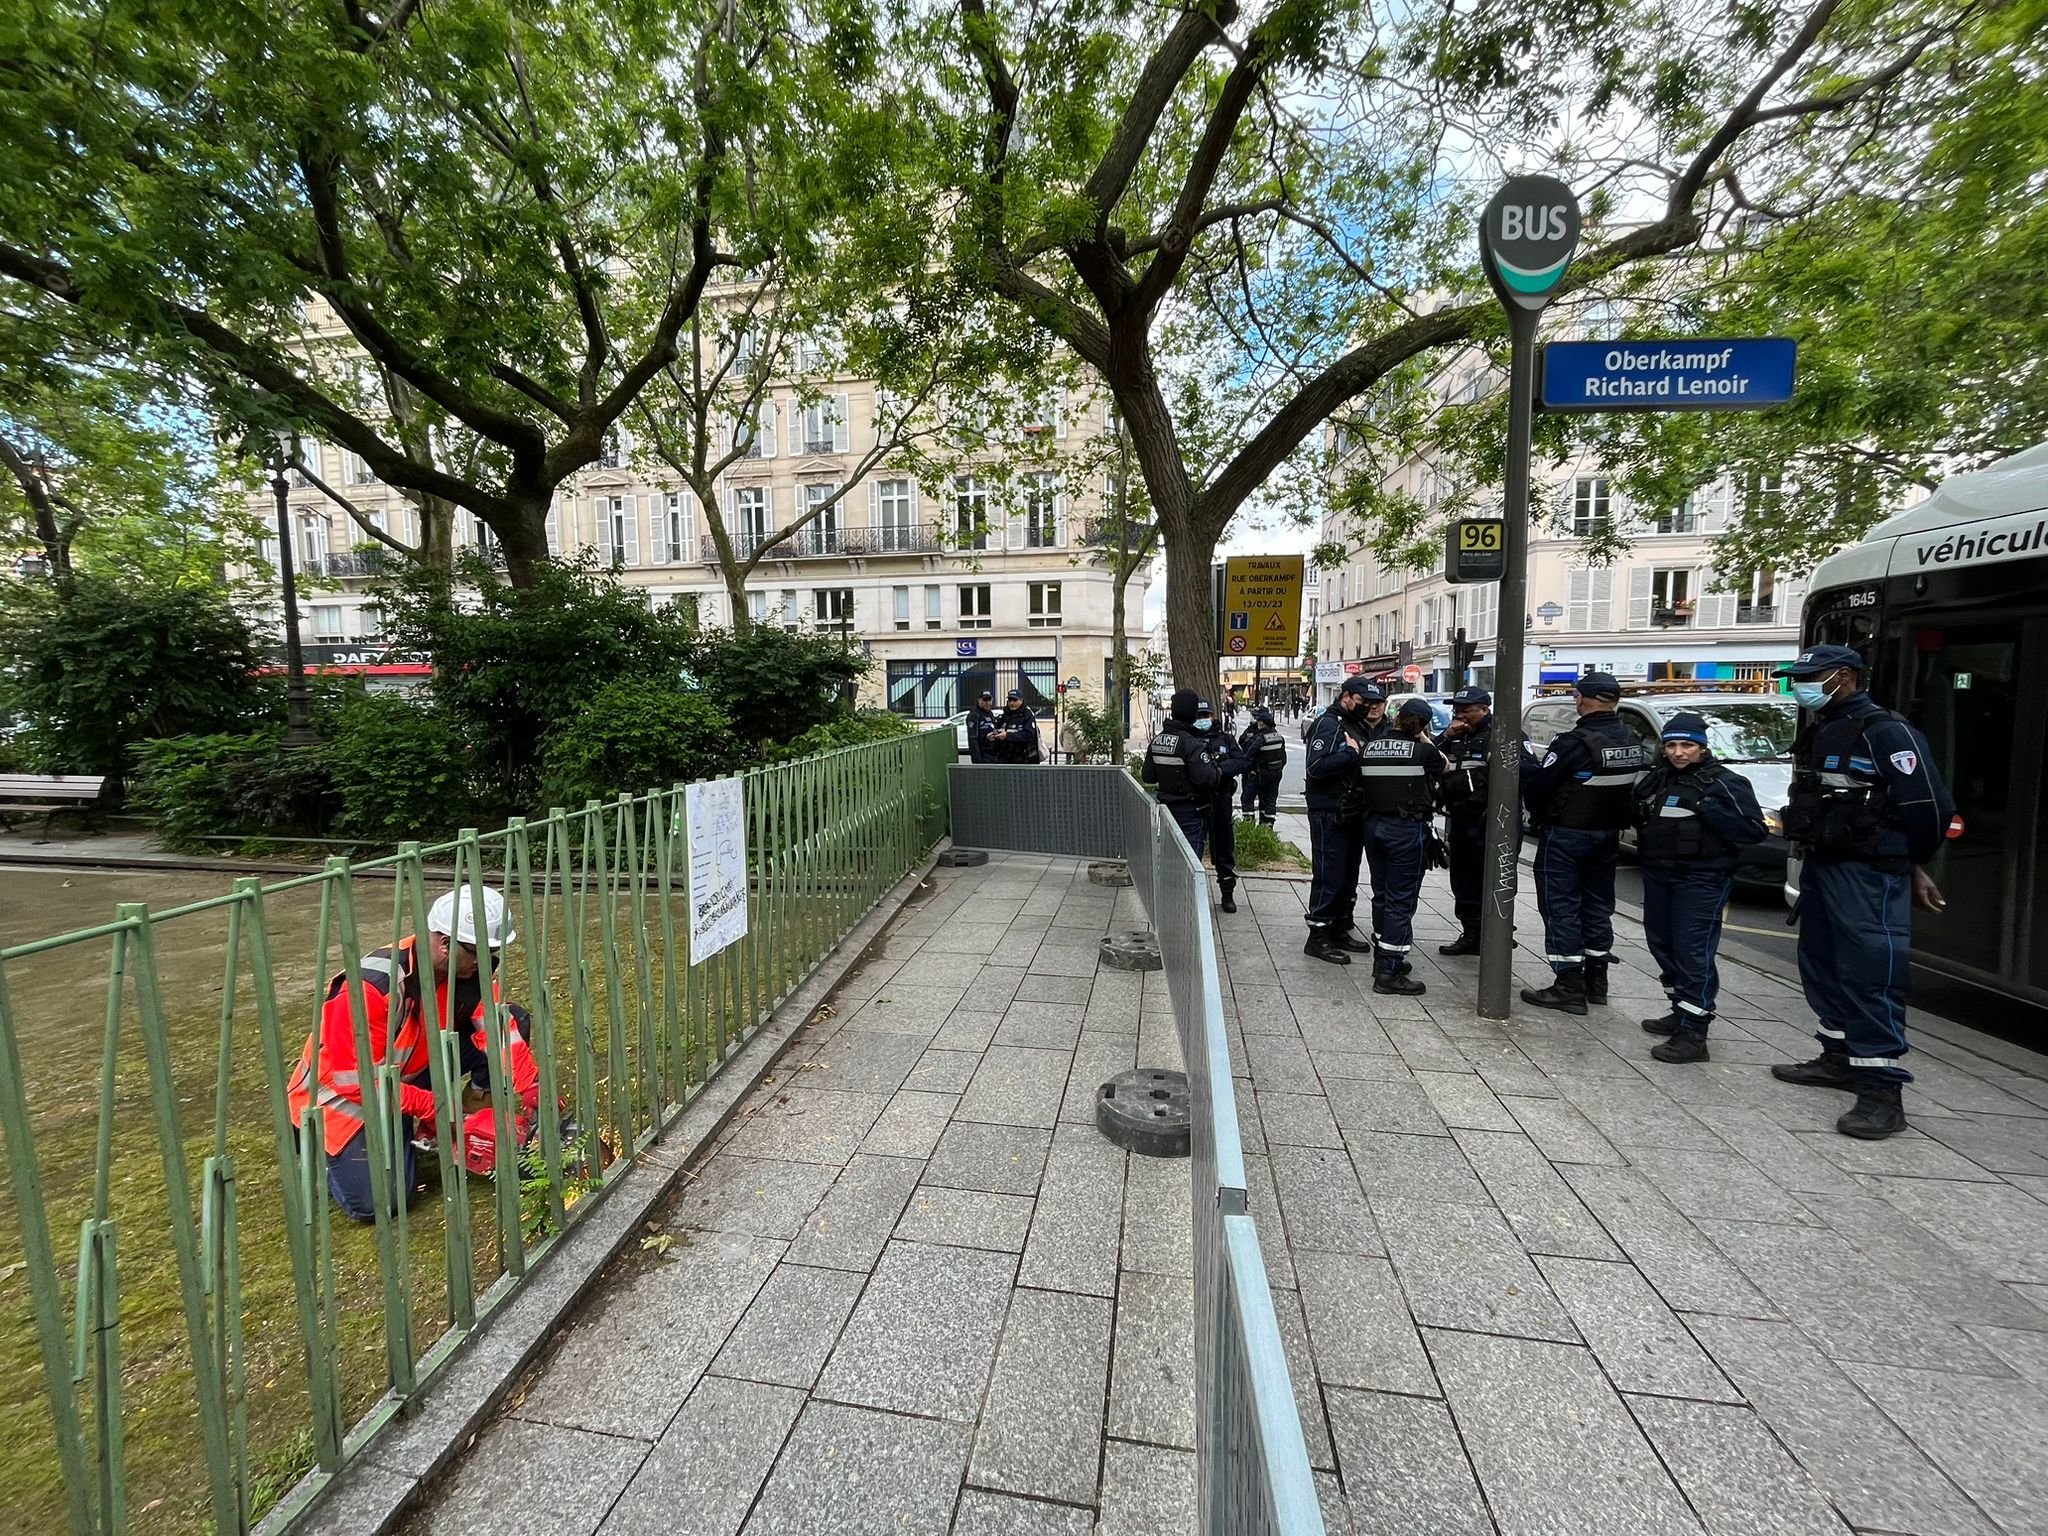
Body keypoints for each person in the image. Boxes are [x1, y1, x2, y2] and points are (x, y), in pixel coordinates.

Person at [1770, 645, 1954, 1138]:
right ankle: (1838, 1058)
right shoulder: (1825, 727)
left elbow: (1929, 807)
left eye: (1811, 677)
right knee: (1822, 965)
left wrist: (1911, 865)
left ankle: (1881, 1092)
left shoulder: (1886, 731)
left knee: (1872, 974)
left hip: (1869, 872)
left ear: (1844, 676)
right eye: (1797, 678)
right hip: (1826, 865)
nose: (1800, 686)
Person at [287, 888, 542, 1223]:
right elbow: (355, 1081)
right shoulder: (370, 987)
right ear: (444, 942)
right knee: (383, 1203)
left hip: (406, 1073)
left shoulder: (466, 970)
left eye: (492, 954)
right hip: (340, 1101)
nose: (485, 963)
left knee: (516, 1018)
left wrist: (533, 1086)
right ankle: (321, 1152)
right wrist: (429, 1104)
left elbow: (499, 1030)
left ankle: (454, 1121)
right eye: (477, 953)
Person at [1630, 712, 1769, 1063]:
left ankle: (1694, 1032)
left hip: (1701, 878)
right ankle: (1680, 1010)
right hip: (1660, 873)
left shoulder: (1724, 783)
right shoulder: (1658, 779)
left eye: (1687, 745)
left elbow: (1753, 831)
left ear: (1702, 749)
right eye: (1672, 745)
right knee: (1662, 943)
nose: (1679, 752)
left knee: (1693, 952)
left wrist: (1707, 808)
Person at [1518, 672, 1653, 1015]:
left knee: (1560, 906)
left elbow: (1539, 787)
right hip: (1608, 837)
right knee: (1597, 907)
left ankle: (1568, 985)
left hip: (1567, 835)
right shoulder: (1630, 738)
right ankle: (1597, 981)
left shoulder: (1573, 743)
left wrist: (1527, 766)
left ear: (1581, 698)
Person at [1360, 698, 1446, 994]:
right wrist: (1421, 737)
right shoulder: (1423, 751)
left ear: (1396, 717)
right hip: (1406, 831)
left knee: (1382, 895)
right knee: (1401, 901)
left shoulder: (1369, 748)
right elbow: (1444, 766)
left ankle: (1382, 954)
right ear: (1422, 726)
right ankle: (1389, 971)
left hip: (1374, 828)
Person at [1302, 677, 1383, 963]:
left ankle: (1339, 927)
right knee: (1329, 874)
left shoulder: (1357, 726)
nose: (1368, 708)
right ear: (1346, 696)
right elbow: (1316, 767)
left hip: (1352, 810)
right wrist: (1349, 754)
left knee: (1348, 874)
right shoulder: (1329, 724)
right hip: (1329, 811)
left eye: (1373, 704)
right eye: (1363, 702)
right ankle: (1318, 935)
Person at [1435, 687, 1493, 956]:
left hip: (1489, 822)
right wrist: (1446, 735)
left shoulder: (1500, 736)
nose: (1460, 715)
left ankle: (1494, 934)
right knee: (1463, 880)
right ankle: (1471, 933)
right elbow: (1428, 756)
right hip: (1460, 819)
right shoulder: (1455, 737)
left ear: (1484, 709)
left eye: (1466, 710)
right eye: (1456, 710)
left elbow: (1525, 772)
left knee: (1492, 881)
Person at [1143, 688, 1224, 858]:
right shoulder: (1191, 744)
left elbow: (1148, 776)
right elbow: (1208, 778)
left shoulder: (1157, 741)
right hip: (1191, 811)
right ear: (1193, 713)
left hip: (1167, 811)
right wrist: (1218, 769)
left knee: (1170, 859)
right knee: (1190, 864)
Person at [1237, 706, 1288, 825]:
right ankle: (1267, 828)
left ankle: (1248, 825)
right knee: (1269, 801)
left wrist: (1248, 770)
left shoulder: (1260, 738)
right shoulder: (1279, 737)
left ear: (1263, 723)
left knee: (1247, 799)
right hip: (1276, 773)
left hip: (1260, 773)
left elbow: (1249, 754)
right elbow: (1283, 758)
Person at [986, 689, 1042, 763]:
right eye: (1010, 700)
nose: (1012, 703)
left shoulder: (1027, 715)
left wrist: (1008, 735)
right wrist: (992, 736)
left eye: (1015, 700)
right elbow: (997, 729)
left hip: (1024, 759)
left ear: (1021, 701)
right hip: (1005, 758)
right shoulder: (1005, 715)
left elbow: (1029, 736)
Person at [965, 689, 998, 763]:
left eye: (989, 700)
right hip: (982, 755)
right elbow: (973, 740)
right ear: (979, 700)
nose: (987, 703)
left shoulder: (990, 713)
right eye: (985, 700)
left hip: (992, 755)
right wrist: (978, 761)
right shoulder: (974, 715)